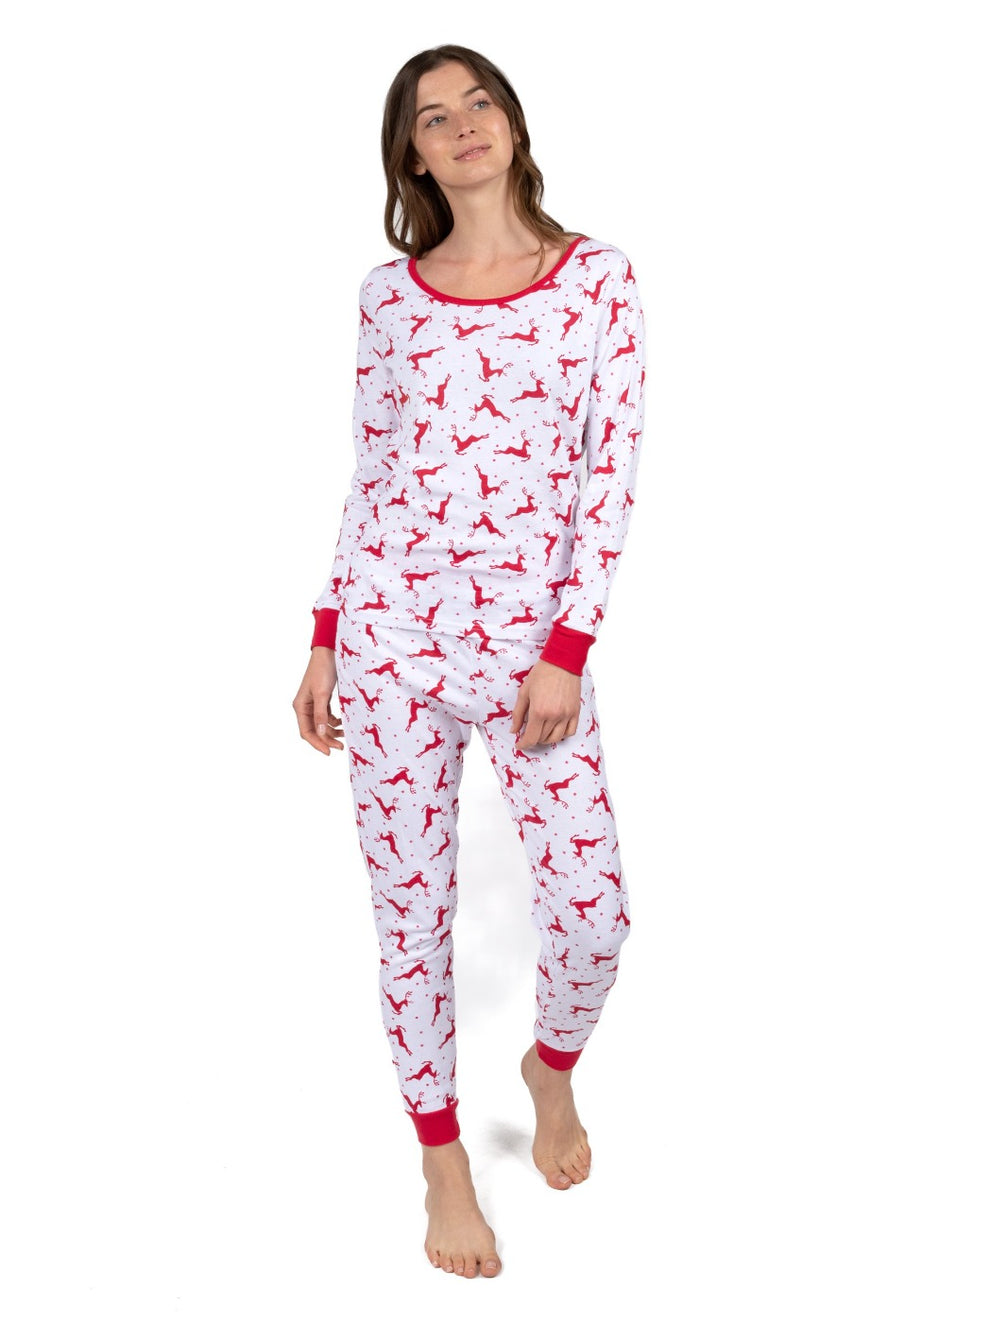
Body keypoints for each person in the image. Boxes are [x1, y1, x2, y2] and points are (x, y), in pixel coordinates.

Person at [292, 43, 646, 1279]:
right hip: (388, 645)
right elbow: (372, 470)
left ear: (512, 119)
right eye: (433, 118)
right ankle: (441, 1160)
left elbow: (609, 473)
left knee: (595, 910)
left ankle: (550, 1066)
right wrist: (326, 633)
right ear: (414, 155)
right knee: (410, 917)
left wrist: (566, 648)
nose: (461, 127)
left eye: (477, 102)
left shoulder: (596, 279)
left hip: (529, 661)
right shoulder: (388, 298)